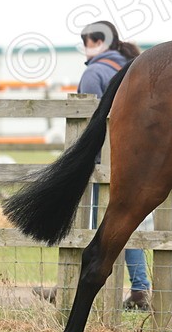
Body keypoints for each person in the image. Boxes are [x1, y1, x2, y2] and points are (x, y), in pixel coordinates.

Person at [34, 19, 151, 310]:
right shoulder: (130, 66)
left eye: (85, 43)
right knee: (122, 224)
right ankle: (140, 287)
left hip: (102, 161)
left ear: (95, 43)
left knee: (87, 227)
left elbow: (87, 122)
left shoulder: (94, 73)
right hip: (137, 160)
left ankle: (67, 289)